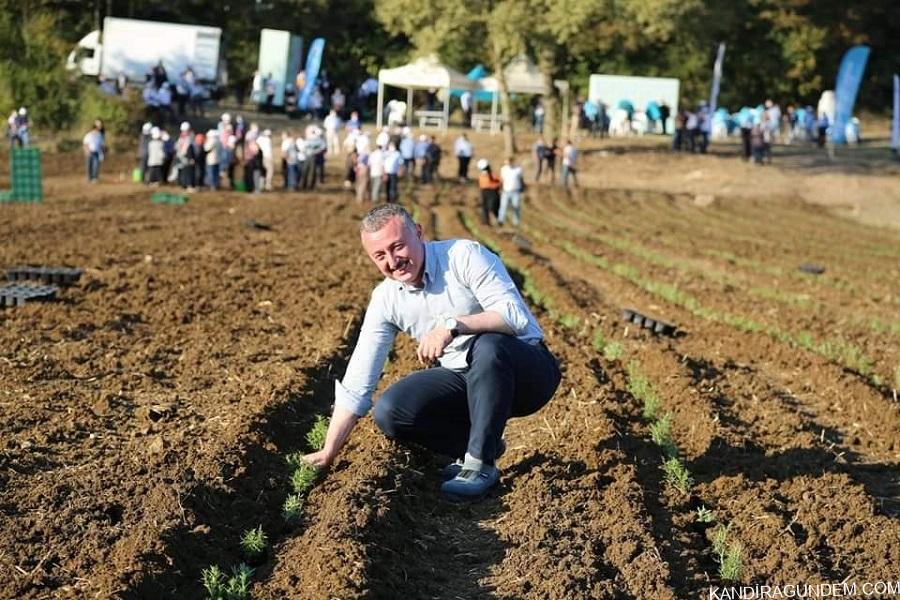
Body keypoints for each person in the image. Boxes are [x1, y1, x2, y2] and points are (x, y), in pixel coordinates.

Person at [302, 204, 561, 500]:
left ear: (419, 233)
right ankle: (478, 443)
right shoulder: (386, 299)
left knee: (488, 345)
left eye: (397, 246)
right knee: (391, 410)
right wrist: (328, 451)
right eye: (380, 256)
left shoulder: (464, 256)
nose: (393, 261)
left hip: (526, 374)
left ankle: (479, 465)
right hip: (467, 380)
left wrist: (453, 326)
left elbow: (514, 317)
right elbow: (359, 379)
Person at [499, 156, 524, 227]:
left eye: (510, 161)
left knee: (516, 206)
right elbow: (502, 180)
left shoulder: (518, 169)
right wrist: (500, 188)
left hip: (515, 191)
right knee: (503, 206)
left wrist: (522, 188)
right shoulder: (503, 169)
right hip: (506, 191)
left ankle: (516, 222)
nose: (508, 163)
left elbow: (521, 179)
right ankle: (501, 221)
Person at [477, 159, 501, 226]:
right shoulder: (482, 174)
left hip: (493, 191)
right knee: (484, 206)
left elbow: (498, 181)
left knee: (492, 206)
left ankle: (495, 219)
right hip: (484, 190)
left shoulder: (492, 175)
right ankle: (485, 221)